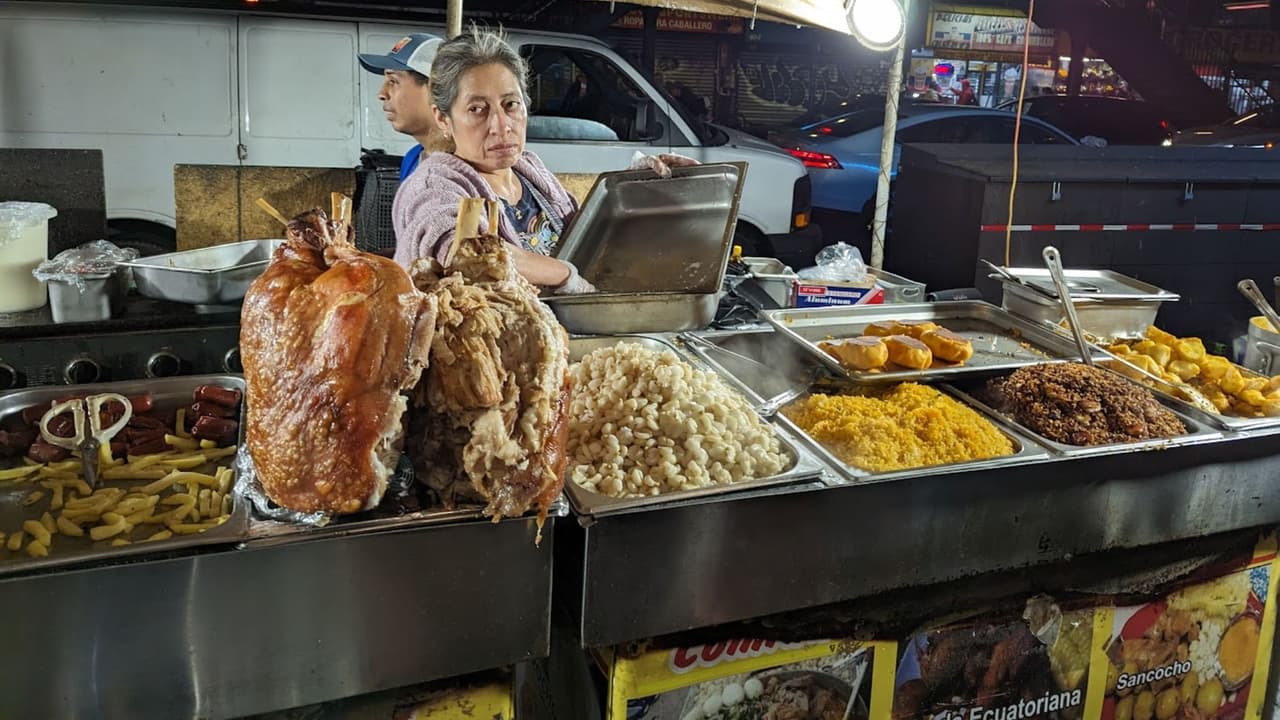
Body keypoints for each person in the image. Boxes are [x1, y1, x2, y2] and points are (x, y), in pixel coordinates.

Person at [393, 26, 694, 294]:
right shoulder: (434, 186)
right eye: (477, 109)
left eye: (511, 104)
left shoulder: (529, 171)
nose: (501, 125)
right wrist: (565, 275)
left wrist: (631, 189)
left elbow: (584, 239)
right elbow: (464, 253)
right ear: (443, 118)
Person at [358, 33, 447, 182]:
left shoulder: (469, 164)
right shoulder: (413, 158)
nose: (381, 94)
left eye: (393, 81)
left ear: (434, 89)